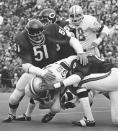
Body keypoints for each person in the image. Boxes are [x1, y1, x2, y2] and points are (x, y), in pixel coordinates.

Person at [2, 17, 87, 122]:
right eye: (34, 36)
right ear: (28, 34)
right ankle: (12, 115)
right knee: (15, 96)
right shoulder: (21, 38)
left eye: (39, 34)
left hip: (54, 69)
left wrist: (80, 52)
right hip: (36, 70)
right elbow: (26, 65)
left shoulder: (52, 29)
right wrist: (42, 73)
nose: (38, 38)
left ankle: (49, 105)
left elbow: (71, 40)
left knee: (55, 108)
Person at [3, 52, 116, 125]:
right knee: (116, 119)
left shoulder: (76, 63)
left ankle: (89, 120)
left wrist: (55, 88)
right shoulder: (50, 74)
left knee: (81, 86)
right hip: (109, 80)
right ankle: (28, 114)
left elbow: (77, 77)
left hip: (111, 76)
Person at [41, 4, 110, 122]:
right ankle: (57, 110)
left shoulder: (90, 20)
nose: (75, 19)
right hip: (76, 59)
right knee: (75, 86)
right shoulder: (66, 25)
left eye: (78, 16)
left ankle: (82, 112)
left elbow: (105, 29)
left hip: (92, 57)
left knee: (101, 87)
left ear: (82, 15)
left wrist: (98, 40)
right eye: (72, 17)